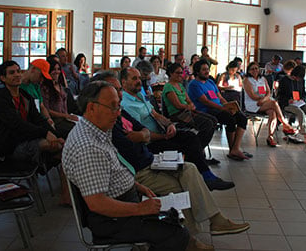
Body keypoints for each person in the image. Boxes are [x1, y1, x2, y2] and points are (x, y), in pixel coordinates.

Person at [93, 71, 250, 244]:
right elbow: (129, 146)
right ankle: (189, 239)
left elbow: (143, 128)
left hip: (150, 155)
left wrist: (155, 129)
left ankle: (214, 220)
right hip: (143, 163)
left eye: (118, 90)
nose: (119, 94)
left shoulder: (123, 110)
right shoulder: (110, 120)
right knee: (184, 171)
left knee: (190, 163)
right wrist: (147, 136)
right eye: (114, 91)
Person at [61, 81, 190, 251]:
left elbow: (110, 171)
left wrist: (136, 186)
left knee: (172, 218)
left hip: (123, 203)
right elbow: (97, 203)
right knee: (176, 234)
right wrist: (139, 208)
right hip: (110, 220)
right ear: (91, 108)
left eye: (119, 106)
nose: (118, 112)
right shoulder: (88, 147)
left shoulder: (96, 130)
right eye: (113, 107)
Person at [120, 67, 233, 191]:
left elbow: (156, 114)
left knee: (191, 137)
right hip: (150, 143)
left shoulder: (139, 95)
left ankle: (205, 176)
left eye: (139, 78)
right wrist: (164, 136)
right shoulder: (126, 104)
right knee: (190, 142)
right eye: (134, 78)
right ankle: (200, 180)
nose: (139, 81)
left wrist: (169, 124)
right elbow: (141, 133)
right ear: (124, 82)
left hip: (163, 132)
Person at [0, 60, 69, 202]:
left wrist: (55, 135)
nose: (17, 75)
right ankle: (66, 195)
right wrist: (46, 134)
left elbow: (38, 118)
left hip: (26, 139)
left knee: (63, 147)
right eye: (11, 73)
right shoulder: (0, 100)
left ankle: (66, 192)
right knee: (61, 148)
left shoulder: (24, 96)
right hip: (10, 146)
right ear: (3, 78)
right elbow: (18, 124)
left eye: (18, 71)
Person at [188, 59, 250, 161]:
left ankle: (235, 148)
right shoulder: (194, 84)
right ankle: (233, 150)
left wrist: (228, 106)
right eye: (204, 70)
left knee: (242, 118)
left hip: (219, 108)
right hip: (206, 110)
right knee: (230, 119)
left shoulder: (211, 82)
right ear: (197, 71)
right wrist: (223, 108)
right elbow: (206, 101)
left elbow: (220, 97)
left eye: (207, 69)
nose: (207, 71)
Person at [162, 62, 218, 157]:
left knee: (213, 121)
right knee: (207, 124)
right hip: (177, 115)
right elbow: (178, 105)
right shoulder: (168, 86)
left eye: (181, 73)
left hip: (186, 111)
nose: (180, 75)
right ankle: (196, 152)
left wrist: (190, 105)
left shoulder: (180, 85)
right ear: (171, 74)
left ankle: (197, 149)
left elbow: (188, 100)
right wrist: (189, 106)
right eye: (177, 73)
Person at [243, 62, 293, 147]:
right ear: (249, 71)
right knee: (274, 103)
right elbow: (252, 96)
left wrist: (264, 99)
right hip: (253, 103)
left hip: (264, 101)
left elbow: (268, 92)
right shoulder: (247, 80)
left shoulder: (263, 79)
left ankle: (270, 137)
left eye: (256, 68)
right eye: (252, 69)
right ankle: (285, 123)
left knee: (273, 112)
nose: (255, 70)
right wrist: (263, 100)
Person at [277, 65, 306, 148]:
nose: (297, 80)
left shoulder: (301, 81)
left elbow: (304, 94)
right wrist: (288, 100)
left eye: (299, 79)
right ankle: (305, 135)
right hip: (287, 104)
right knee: (300, 113)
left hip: (299, 102)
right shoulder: (284, 80)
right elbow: (279, 96)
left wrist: (302, 99)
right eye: (296, 78)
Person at [41, 60, 79, 139]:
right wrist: (66, 116)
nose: (56, 72)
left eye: (58, 69)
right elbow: (47, 110)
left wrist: (69, 116)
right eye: (53, 69)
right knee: (76, 130)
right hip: (56, 121)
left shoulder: (60, 86)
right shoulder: (45, 88)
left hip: (65, 119)